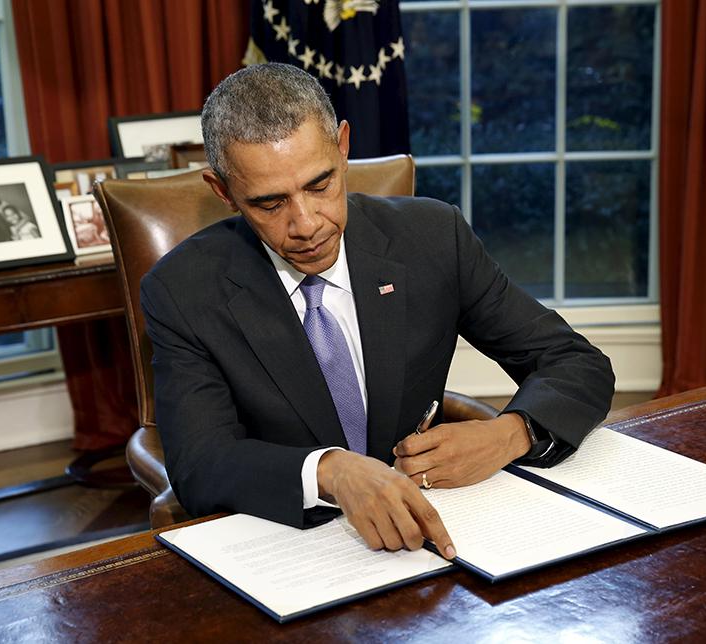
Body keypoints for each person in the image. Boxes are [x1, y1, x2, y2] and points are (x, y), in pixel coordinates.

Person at [141, 63, 615, 559]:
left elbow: (576, 363)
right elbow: (201, 464)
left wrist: (509, 434)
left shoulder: (433, 238)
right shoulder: (182, 290)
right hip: (293, 545)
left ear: (343, 147)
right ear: (223, 192)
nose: (305, 224)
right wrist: (330, 471)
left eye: (320, 184)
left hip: (443, 529)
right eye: (269, 203)